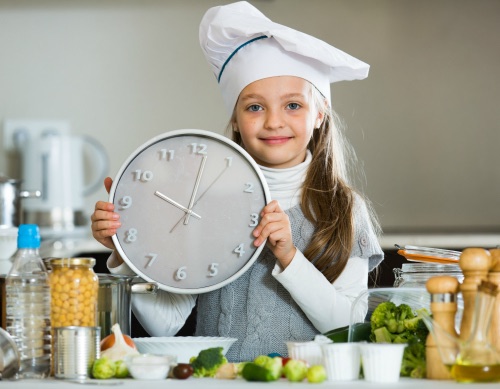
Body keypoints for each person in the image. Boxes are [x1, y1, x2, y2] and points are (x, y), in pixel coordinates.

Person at [91, 1, 384, 362]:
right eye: (255, 107)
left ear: (320, 114)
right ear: (235, 119)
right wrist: (124, 250)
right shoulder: (202, 203)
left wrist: (289, 258)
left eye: (293, 105)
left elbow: (349, 327)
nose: (274, 122)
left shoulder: (344, 209)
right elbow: (166, 324)